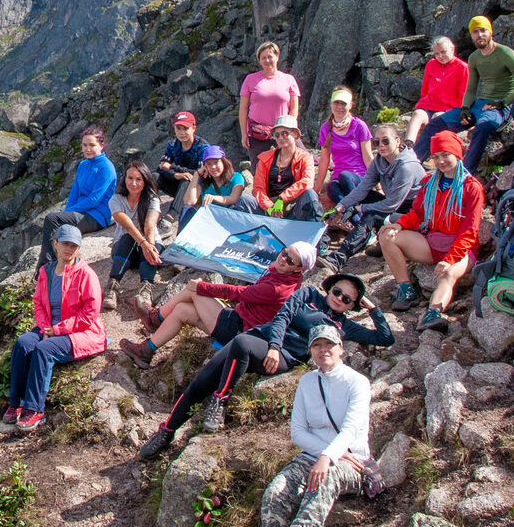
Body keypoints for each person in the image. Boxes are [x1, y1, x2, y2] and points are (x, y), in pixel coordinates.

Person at [139, 273, 392, 457]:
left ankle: (220, 401)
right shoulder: (309, 294)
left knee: (240, 343)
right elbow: (284, 314)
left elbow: (385, 338)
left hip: (286, 357)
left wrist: (371, 307)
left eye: (347, 299)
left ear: (351, 306)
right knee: (200, 382)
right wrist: (274, 344)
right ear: (330, 288)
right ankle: (166, 431)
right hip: (266, 340)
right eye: (337, 291)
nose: (339, 299)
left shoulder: (343, 325)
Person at [257, 323, 372, 527]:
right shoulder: (307, 382)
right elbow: (297, 432)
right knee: (275, 491)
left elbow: (350, 430)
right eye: (317, 345)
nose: (323, 350)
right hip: (316, 456)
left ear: (341, 348)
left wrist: (329, 457)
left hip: (352, 461)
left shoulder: (358, 383)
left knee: (327, 475)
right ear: (311, 351)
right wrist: (327, 454)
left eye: (329, 344)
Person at [117, 241, 316, 368]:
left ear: (299, 269)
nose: (283, 259)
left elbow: (240, 293)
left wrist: (203, 287)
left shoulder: (279, 288)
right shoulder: (285, 276)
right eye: (284, 252)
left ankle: (155, 318)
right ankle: (146, 351)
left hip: (240, 329)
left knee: (194, 290)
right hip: (240, 321)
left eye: (290, 260)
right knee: (181, 310)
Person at [3, 224, 106, 432]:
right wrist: (44, 328)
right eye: (66, 244)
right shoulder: (46, 272)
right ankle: (17, 401)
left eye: (74, 246)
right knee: (23, 344)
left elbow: (90, 313)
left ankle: (35, 409)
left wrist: (56, 330)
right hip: (49, 328)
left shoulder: (86, 274)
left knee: (44, 349)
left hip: (82, 332)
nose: (69, 249)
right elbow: (38, 304)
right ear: (55, 244)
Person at [378, 132, 485, 333]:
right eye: (436, 157)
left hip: (461, 248)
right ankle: (405, 289)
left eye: (445, 155)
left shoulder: (472, 188)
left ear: (457, 154)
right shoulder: (430, 183)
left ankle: (433, 313)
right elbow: (418, 214)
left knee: (447, 274)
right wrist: (399, 225)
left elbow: (470, 231)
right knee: (387, 236)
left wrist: (451, 259)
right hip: (432, 242)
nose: (440, 161)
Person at [415, 16, 514, 172]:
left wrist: (504, 102)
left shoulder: (505, 53)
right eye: (475, 32)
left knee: (483, 127)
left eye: (483, 30)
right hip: (478, 103)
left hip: (499, 105)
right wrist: (464, 108)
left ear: (490, 32)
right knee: (436, 124)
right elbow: (471, 89)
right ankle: (412, 164)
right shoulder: (474, 58)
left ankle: (465, 172)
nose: (480, 35)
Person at [323, 123, 424, 269]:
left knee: (371, 214)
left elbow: (391, 204)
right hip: (396, 206)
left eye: (385, 141)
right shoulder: (379, 161)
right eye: (376, 142)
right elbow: (362, 188)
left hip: (412, 213)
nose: (381, 145)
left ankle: (339, 258)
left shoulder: (406, 166)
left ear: (397, 141)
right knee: (357, 195)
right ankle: (378, 243)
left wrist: (359, 209)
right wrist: (340, 207)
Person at [38, 124, 116, 276]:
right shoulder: (83, 165)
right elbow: (75, 191)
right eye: (84, 145)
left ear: (101, 145)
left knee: (52, 219)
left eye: (92, 145)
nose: (87, 149)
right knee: (56, 223)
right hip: (81, 213)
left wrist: (69, 214)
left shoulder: (106, 167)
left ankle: (45, 266)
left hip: (97, 216)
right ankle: (50, 267)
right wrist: (67, 212)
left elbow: (95, 199)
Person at [109, 160, 163, 304]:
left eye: (138, 179)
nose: (134, 183)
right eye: (130, 178)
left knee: (151, 249)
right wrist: (144, 244)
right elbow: (128, 225)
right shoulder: (116, 200)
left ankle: (146, 287)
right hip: (124, 249)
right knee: (128, 237)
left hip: (149, 244)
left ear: (145, 180)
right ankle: (112, 286)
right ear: (124, 179)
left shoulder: (152, 199)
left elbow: (150, 224)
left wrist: (149, 246)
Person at [244, 116, 318, 221]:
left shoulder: (305, 157)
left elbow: (307, 182)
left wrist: (282, 198)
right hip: (269, 210)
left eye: (284, 133)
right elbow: (258, 188)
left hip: (293, 209)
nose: (280, 138)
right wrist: (269, 207)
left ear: (295, 135)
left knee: (310, 195)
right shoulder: (265, 159)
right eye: (276, 135)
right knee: (244, 200)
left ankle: (318, 234)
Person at [238, 42, 301, 166]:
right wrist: (244, 134)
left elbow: (294, 108)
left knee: (298, 161)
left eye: (270, 56)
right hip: (258, 132)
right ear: (259, 61)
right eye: (263, 58)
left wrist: (289, 128)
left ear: (277, 57)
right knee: (259, 169)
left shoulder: (289, 79)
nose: (267, 60)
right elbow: (243, 109)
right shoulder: (250, 79)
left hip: (283, 130)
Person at [314, 88, 373, 210]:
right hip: (339, 179)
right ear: (331, 104)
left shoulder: (359, 126)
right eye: (336, 103)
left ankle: (358, 212)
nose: (339, 107)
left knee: (345, 176)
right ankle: (357, 219)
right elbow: (324, 160)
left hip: (359, 177)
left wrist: (377, 182)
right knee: (331, 187)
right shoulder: (325, 128)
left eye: (343, 103)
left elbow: (368, 157)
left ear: (350, 105)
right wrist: (317, 189)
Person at [406, 37, 470, 146]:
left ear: (452, 49)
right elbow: (425, 89)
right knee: (417, 114)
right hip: (428, 106)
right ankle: (408, 145)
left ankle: (427, 150)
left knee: (437, 118)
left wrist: (453, 111)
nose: (440, 56)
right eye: (436, 53)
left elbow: (463, 94)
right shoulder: (431, 64)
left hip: (448, 109)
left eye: (443, 52)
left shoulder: (462, 67)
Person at [156, 111, 210, 219]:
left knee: (188, 179)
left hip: (199, 187)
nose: (182, 132)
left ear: (193, 128)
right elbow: (161, 167)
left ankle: (171, 216)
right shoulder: (172, 145)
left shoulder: (202, 147)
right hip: (178, 183)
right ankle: (148, 209)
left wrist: (173, 168)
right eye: (178, 128)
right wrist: (174, 175)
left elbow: (200, 172)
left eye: (185, 128)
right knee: (155, 176)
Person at [180, 147, 248, 227]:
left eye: (216, 162)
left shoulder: (236, 177)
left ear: (223, 162)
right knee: (187, 210)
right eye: (209, 164)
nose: (213, 167)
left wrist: (214, 198)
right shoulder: (203, 181)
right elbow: (189, 202)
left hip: (229, 218)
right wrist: (196, 175)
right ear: (204, 166)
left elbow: (234, 199)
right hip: (210, 219)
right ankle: (182, 239)